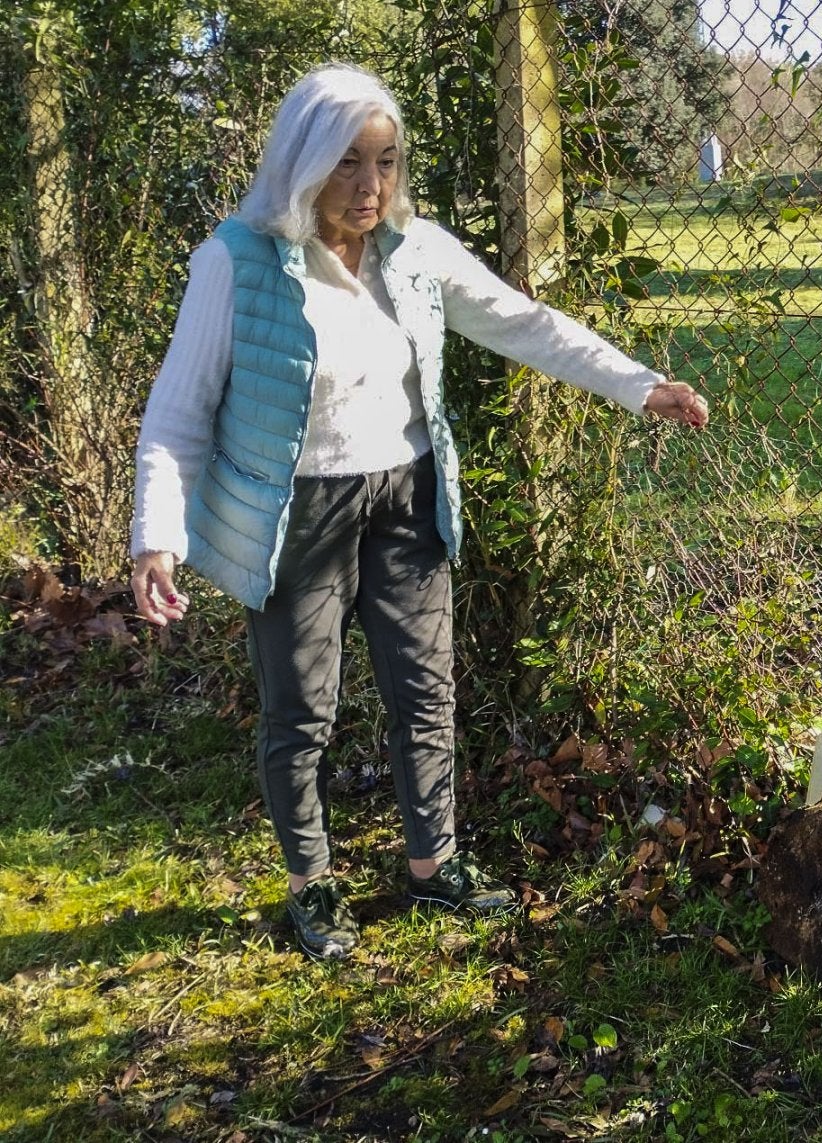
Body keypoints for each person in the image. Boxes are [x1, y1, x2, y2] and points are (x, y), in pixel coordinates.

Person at [129, 63, 708, 960]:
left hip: (406, 497)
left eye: (386, 161)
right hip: (297, 513)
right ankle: (310, 884)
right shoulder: (236, 261)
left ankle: (433, 863)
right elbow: (177, 409)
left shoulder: (414, 249)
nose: (370, 186)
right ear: (303, 161)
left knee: (427, 692)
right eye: (348, 163)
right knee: (302, 710)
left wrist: (639, 386)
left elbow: (524, 322)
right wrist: (157, 536)